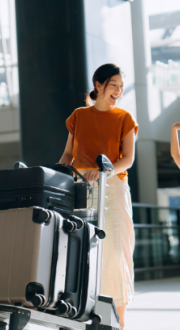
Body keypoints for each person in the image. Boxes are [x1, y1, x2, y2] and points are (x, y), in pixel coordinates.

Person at [59, 63, 138, 329]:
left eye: (121, 85)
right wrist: (58, 176)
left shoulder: (124, 118)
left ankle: (120, 322)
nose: (119, 90)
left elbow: (127, 160)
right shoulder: (79, 116)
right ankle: (80, 315)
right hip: (81, 188)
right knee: (82, 252)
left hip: (112, 188)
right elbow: (68, 155)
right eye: (113, 84)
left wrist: (101, 171)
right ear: (98, 85)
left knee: (115, 253)